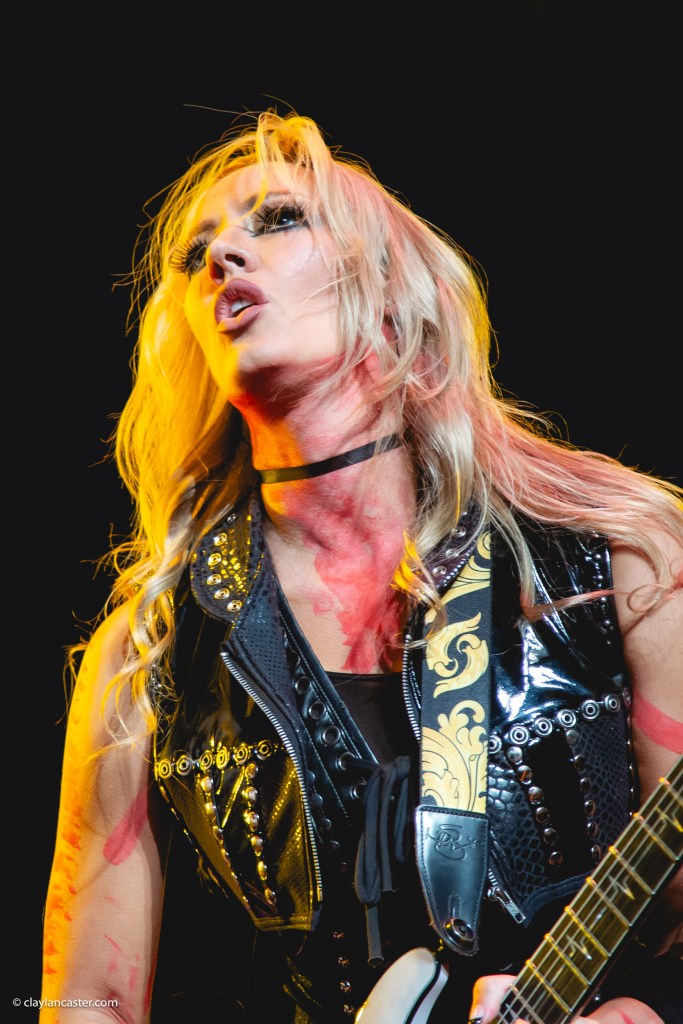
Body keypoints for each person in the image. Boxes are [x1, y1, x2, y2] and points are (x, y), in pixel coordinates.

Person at [41, 109, 682, 1024]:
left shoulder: (616, 551)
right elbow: (86, 1001)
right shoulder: (145, 658)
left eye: (278, 220)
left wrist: (643, 1013)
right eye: (194, 253)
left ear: (389, 288)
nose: (222, 256)